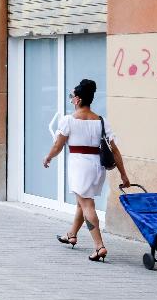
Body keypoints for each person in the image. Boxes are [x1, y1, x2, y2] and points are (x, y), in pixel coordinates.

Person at [43, 79, 130, 262]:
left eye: (72, 96)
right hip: (97, 167)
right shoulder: (101, 121)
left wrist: (49, 156)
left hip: (80, 166)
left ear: (77, 99)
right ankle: (71, 234)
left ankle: (99, 246)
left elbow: (58, 145)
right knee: (81, 203)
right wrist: (123, 174)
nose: (71, 99)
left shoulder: (69, 120)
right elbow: (115, 150)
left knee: (87, 204)